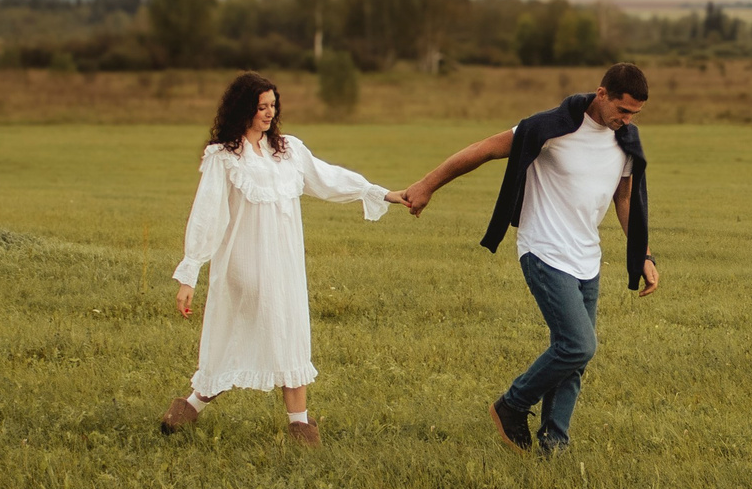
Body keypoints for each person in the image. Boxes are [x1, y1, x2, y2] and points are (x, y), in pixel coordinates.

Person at [398, 62, 660, 453]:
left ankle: (554, 442)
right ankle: (512, 404)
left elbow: (625, 200)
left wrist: (643, 254)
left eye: (634, 114)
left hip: (587, 257)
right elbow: (484, 149)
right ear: (601, 94)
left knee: (573, 356)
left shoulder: (625, 141)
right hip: (544, 249)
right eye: (622, 110)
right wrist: (427, 185)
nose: (627, 120)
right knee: (578, 345)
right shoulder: (550, 127)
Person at [162, 72, 402, 445]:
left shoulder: (287, 151)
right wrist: (189, 272)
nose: (269, 113)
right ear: (244, 109)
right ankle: (198, 406)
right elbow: (206, 214)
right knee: (242, 337)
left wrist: (380, 193)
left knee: (289, 335)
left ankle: (292, 425)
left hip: (285, 266)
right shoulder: (224, 158)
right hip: (245, 265)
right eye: (261, 107)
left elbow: (328, 178)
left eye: (273, 105)